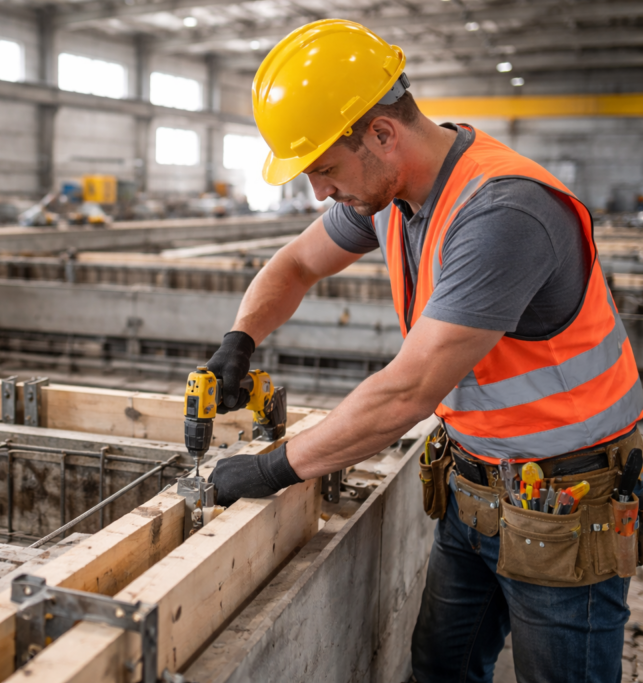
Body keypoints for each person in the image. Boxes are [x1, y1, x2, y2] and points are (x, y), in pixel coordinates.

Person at [205, 19, 643, 683]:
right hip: (475, 488)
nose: (321, 192)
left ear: (382, 133)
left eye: (325, 169)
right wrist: (240, 338)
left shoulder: (503, 212)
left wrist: (273, 468)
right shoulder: (388, 192)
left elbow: (407, 391)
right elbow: (295, 263)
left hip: (566, 501)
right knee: (441, 668)